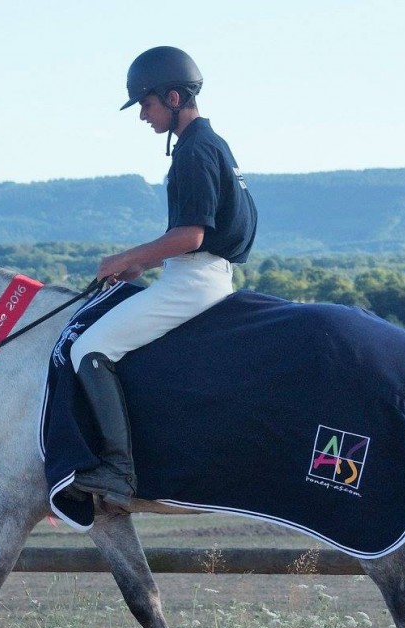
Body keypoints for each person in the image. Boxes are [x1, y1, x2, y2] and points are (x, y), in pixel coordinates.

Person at [69, 45, 258, 513]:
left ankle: (117, 467)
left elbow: (191, 235)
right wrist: (140, 266)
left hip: (195, 280)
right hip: (200, 273)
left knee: (87, 348)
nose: (143, 117)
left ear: (173, 98)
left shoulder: (194, 150)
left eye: (146, 105)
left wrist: (125, 256)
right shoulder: (211, 143)